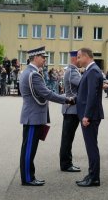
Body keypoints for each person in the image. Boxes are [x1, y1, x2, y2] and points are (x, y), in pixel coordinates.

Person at [19, 46, 74, 186]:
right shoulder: (33, 74)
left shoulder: (29, 72)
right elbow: (46, 93)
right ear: (35, 57)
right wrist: (66, 99)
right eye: (43, 57)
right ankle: (27, 178)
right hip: (33, 117)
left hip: (32, 116)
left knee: (29, 148)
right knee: (29, 149)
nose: (44, 60)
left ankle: (29, 176)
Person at [75, 48, 104, 187]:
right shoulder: (90, 70)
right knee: (90, 146)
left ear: (86, 56)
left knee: (92, 147)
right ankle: (92, 173)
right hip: (89, 115)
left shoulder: (92, 71)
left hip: (90, 116)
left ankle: (94, 178)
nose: (77, 60)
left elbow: (92, 96)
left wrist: (86, 115)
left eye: (79, 57)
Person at [60, 50, 82, 173]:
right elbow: (83, 84)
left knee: (68, 138)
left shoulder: (73, 71)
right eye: (79, 58)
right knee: (67, 138)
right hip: (71, 109)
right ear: (75, 59)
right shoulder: (72, 71)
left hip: (71, 109)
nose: (80, 60)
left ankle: (66, 162)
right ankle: (66, 164)